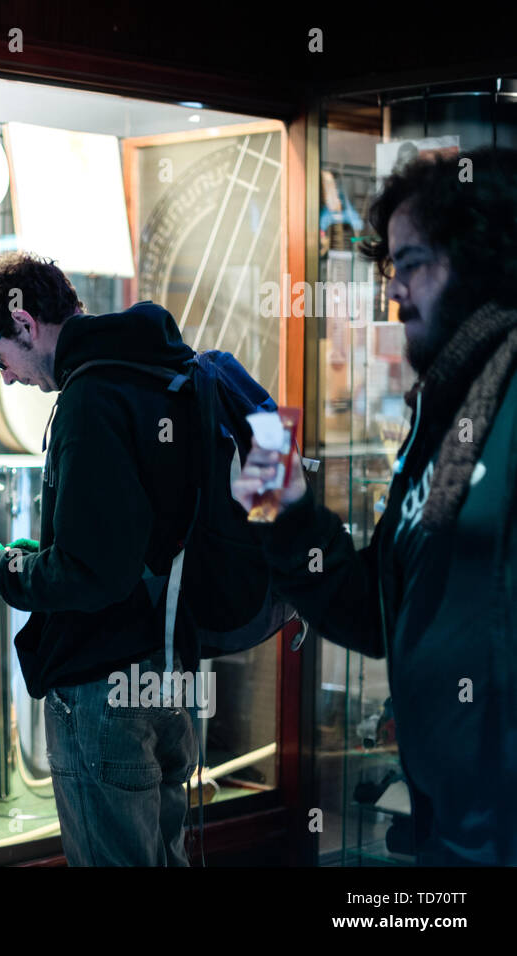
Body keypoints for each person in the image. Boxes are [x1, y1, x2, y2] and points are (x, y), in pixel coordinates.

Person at [232, 147, 517, 865]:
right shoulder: (442, 418)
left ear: (482, 255)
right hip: (450, 835)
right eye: (390, 268)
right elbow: (379, 612)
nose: (394, 292)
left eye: (411, 263)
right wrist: (292, 510)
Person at [0, 251, 202, 865]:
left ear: (25, 324)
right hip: (166, 673)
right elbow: (129, 541)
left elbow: (92, 577)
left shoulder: (90, 397)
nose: (3, 377)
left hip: (101, 690)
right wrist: (48, 554)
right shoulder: (152, 369)